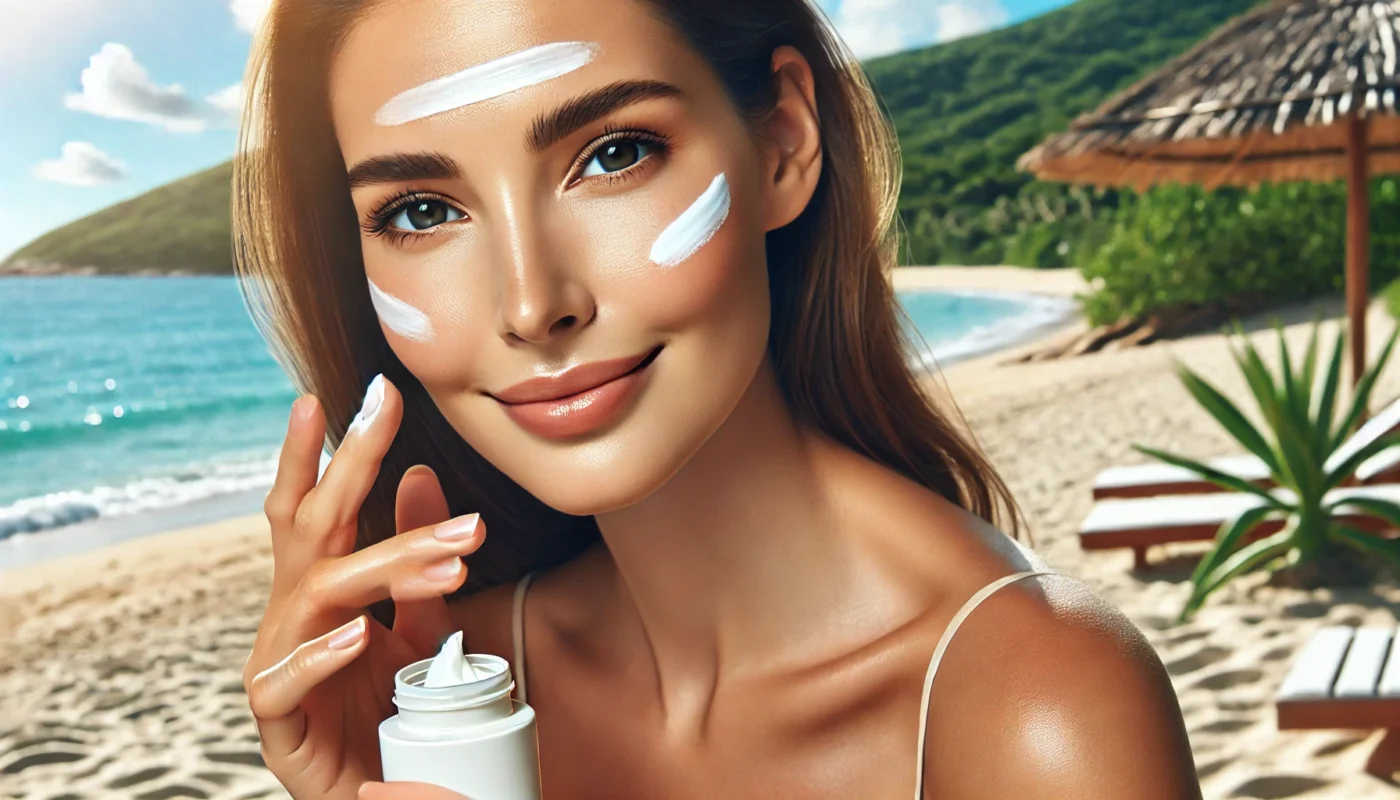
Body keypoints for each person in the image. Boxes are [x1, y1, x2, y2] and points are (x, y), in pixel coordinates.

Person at [233, 0, 1202, 797]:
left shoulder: (1038, 713)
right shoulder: (450, 689)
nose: (532, 304)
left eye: (612, 153)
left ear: (781, 140)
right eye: (422, 211)